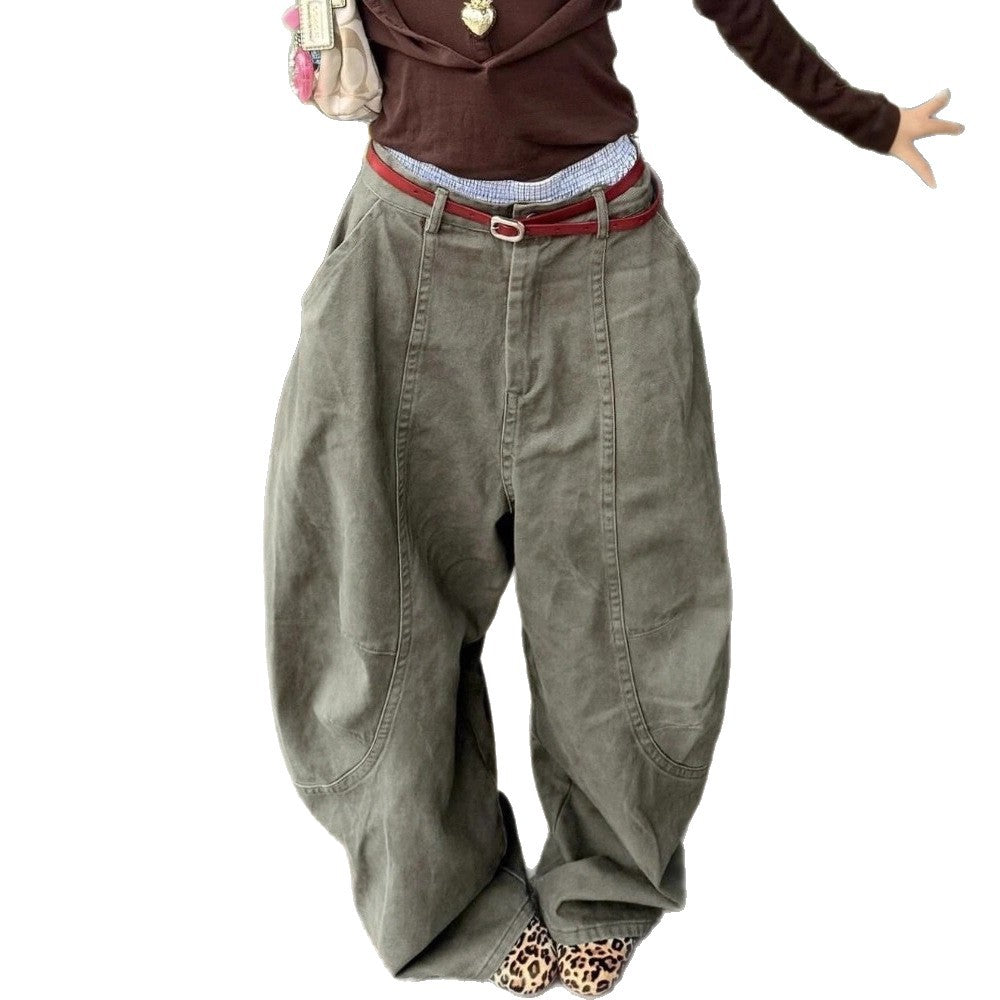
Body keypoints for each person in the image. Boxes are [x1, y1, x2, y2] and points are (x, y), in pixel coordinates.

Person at [263, 1, 963, 995]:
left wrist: (870, 120)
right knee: (377, 606)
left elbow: (738, 8)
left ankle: (605, 886)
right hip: (405, 256)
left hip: (605, 256)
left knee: (629, 604)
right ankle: (445, 908)